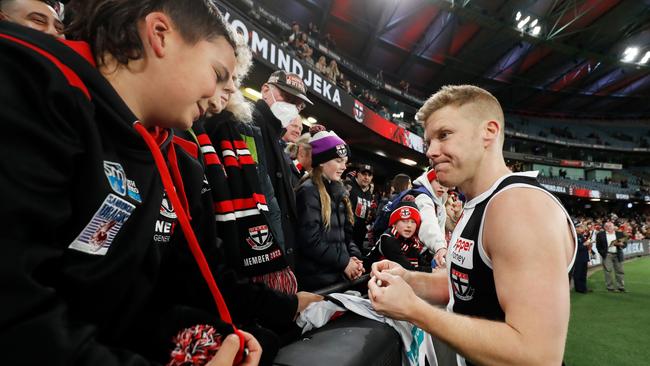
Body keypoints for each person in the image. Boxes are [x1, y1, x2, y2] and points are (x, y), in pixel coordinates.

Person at [0, 1, 263, 365]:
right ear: (159, 35)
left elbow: (119, 305)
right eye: (218, 73)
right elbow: (15, 312)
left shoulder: (153, 148)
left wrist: (190, 340)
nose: (224, 95)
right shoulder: (30, 82)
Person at [368, 85, 577, 366]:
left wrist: (414, 310)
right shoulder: (480, 201)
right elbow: (466, 283)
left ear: (488, 132)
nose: (431, 151)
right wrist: (409, 279)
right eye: (429, 141)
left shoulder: (518, 206)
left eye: (444, 135)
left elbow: (537, 355)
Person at [254, 70, 313, 268]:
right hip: (260, 248)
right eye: (286, 97)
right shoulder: (249, 125)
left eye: (298, 104)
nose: (292, 107)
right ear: (265, 90)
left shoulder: (275, 136)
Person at [295, 129, 364, 291]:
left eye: (345, 161)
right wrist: (345, 262)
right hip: (316, 282)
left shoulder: (338, 190)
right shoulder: (308, 191)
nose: (343, 167)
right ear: (321, 161)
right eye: (339, 160)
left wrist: (354, 258)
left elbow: (346, 237)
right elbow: (310, 241)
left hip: (336, 276)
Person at [368, 201, 431, 272]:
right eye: (404, 221)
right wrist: (435, 272)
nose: (409, 225)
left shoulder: (411, 241)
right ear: (394, 224)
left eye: (413, 222)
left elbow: (422, 263)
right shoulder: (388, 240)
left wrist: (436, 267)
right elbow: (408, 269)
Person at [412, 168, 449, 267]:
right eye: (437, 181)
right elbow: (428, 225)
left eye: (445, 183)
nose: (442, 186)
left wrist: (442, 249)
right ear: (429, 181)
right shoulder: (423, 198)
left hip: (420, 253)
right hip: (404, 252)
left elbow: (440, 231)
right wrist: (440, 247)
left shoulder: (440, 202)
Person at [596, 221, 628, 292]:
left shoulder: (620, 234)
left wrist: (621, 244)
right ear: (604, 227)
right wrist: (603, 254)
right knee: (608, 271)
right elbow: (598, 246)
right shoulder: (600, 234)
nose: (609, 227)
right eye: (607, 226)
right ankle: (610, 287)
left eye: (610, 226)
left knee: (620, 271)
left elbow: (625, 244)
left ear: (614, 227)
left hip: (618, 254)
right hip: (607, 255)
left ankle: (621, 287)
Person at [349, 164, 374, 249]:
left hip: (360, 233)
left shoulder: (369, 193)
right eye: (364, 174)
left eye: (369, 175)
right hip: (346, 232)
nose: (366, 177)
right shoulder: (348, 186)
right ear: (358, 174)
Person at [573, 223, 593, 293]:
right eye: (581, 227)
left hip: (584, 257)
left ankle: (584, 288)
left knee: (583, 274)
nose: (583, 229)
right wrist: (585, 244)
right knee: (578, 273)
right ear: (576, 228)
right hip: (579, 258)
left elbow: (584, 246)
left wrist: (589, 244)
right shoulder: (575, 236)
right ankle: (579, 289)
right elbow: (576, 248)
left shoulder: (581, 236)